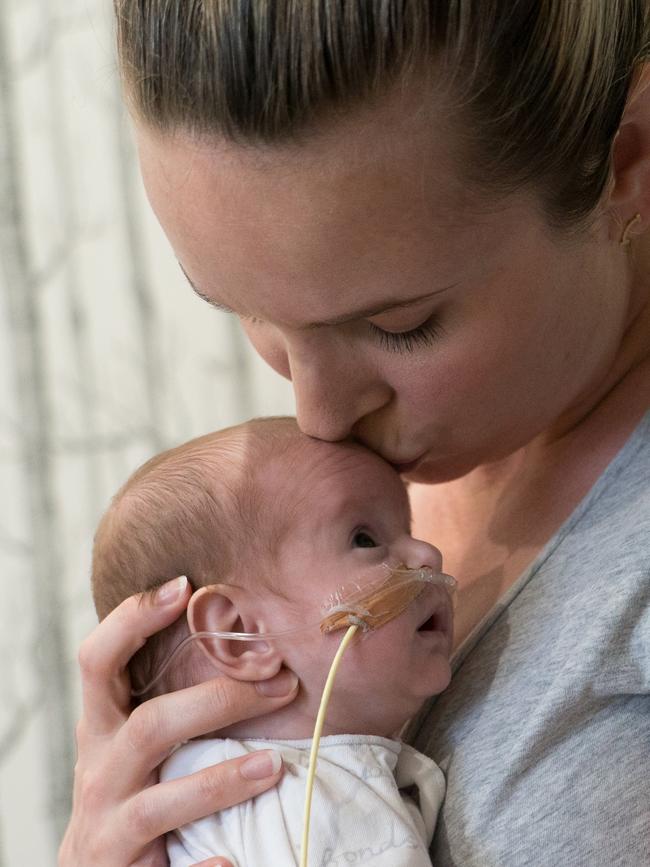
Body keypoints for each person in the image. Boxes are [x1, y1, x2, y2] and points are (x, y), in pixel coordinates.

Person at [59, 3, 650, 866]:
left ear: (627, 162)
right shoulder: (317, 499)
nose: (315, 416)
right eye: (243, 307)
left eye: (398, 325)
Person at [90, 416, 454, 866]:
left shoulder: (192, 804)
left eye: (409, 530)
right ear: (240, 636)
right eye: (364, 538)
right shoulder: (318, 808)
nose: (427, 555)